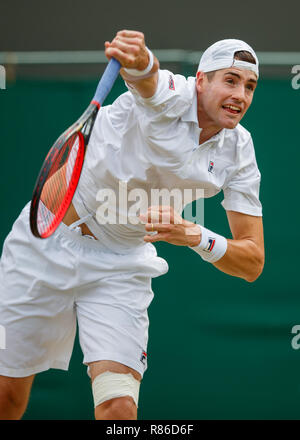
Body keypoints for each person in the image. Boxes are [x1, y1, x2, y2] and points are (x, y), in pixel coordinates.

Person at [0, 30, 264, 420]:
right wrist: (139, 58)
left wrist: (194, 235)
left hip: (121, 264)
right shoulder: (174, 93)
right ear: (201, 80)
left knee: (119, 408)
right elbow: (147, 77)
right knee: (7, 397)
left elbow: (252, 261)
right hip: (46, 242)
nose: (240, 95)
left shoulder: (240, 150)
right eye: (230, 80)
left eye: (250, 86)